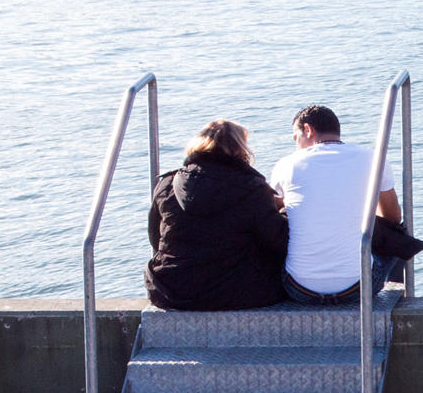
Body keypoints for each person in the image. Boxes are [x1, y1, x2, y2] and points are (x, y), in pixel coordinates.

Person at [144, 120, 288, 312]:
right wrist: (285, 210)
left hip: (170, 290)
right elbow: (279, 242)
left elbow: (156, 238)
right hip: (235, 292)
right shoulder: (253, 189)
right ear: (241, 149)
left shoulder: (167, 184)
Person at [270, 104, 404, 306]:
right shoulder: (373, 159)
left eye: (295, 138)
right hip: (359, 289)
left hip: (299, 289)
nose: (296, 145)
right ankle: (400, 296)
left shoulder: (286, 164)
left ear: (308, 129)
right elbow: (393, 217)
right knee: (397, 238)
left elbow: (273, 212)